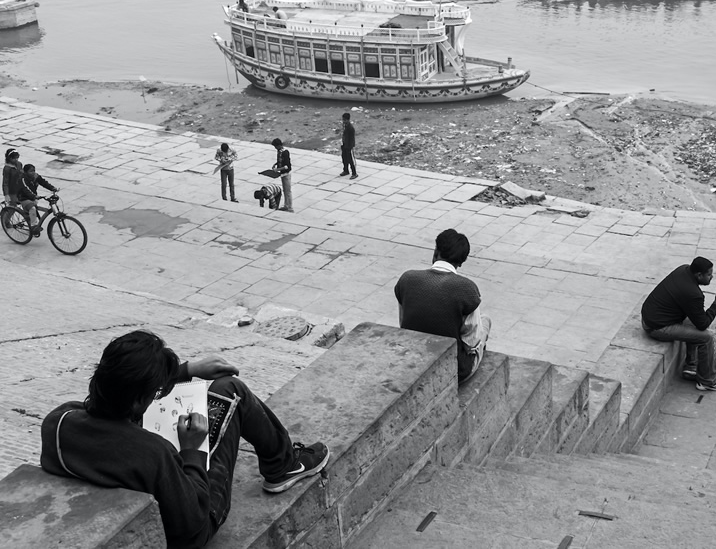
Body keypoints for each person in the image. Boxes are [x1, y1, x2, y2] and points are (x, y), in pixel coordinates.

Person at [40, 330, 329, 549]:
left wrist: (187, 371)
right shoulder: (155, 453)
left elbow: (113, 411)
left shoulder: (59, 421)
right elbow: (193, 527)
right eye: (155, 393)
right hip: (194, 520)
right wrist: (192, 451)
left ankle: (282, 461)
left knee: (222, 388)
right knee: (232, 390)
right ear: (139, 402)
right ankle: (283, 464)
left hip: (125, 470)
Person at [395, 229, 492, 383]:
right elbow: (471, 344)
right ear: (461, 262)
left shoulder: (407, 279)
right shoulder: (467, 289)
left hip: (411, 359)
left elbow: (404, 324)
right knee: (485, 321)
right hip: (454, 370)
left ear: (435, 252)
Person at [640, 256, 716, 391]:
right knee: (706, 337)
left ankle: (691, 366)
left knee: (693, 321)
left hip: (650, 316)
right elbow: (703, 324)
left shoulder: (683, 269)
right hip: (657, 327)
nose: (711, 277)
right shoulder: (693, 293)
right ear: (699, 275)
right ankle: (707, 380)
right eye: (709, 274)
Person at [17, 163, 58, 237]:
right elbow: (26, 189)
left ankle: (29, 218)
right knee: (32, 208)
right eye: (31, 171)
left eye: (34, 171)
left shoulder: (36, 176)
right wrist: (34, 196)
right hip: (23, 198)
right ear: (25, 172)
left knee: (33, 209)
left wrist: (52, 188)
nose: (33, 173)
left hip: (33, 197)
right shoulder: (22, 179)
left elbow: (43, 182)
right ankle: (33, 227)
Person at [271, 138, 293, 212]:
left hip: (286, 173)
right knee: (285, 190)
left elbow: (287, 166)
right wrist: (276, 164)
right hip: (282, 173)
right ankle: (286, 205)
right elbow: (280, 161)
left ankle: (289, 207)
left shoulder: (285, 152)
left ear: (279, 145)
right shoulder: (279, 151)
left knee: (288, 191)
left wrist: (277, 169)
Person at [339, 112, 357, 179]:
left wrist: (350, 146)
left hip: (349, 146)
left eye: (344, 120)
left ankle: (354, 173)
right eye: (343, 120)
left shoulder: (350, 128)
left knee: (350, 159)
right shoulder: (345, 126)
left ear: (348, 120)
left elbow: (351, 138)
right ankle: (346, 170)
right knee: (344, 158)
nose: (343, 121)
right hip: (344, 144)